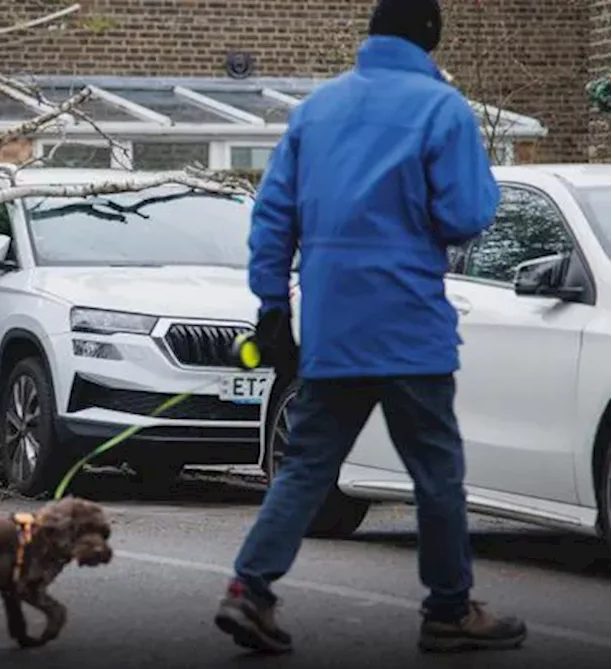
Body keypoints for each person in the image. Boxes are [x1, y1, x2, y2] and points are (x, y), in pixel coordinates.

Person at [212, 0, 529, 656]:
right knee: (436, 473)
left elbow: (271, 218)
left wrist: (272, 305)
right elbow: (467, 213)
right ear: (430, 38)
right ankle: (448, 609)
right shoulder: (442, 109)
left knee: (305, 465)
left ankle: (249, 589)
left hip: (332, 327)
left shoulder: (316, 111)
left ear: (372, 36)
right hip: (410, 324)